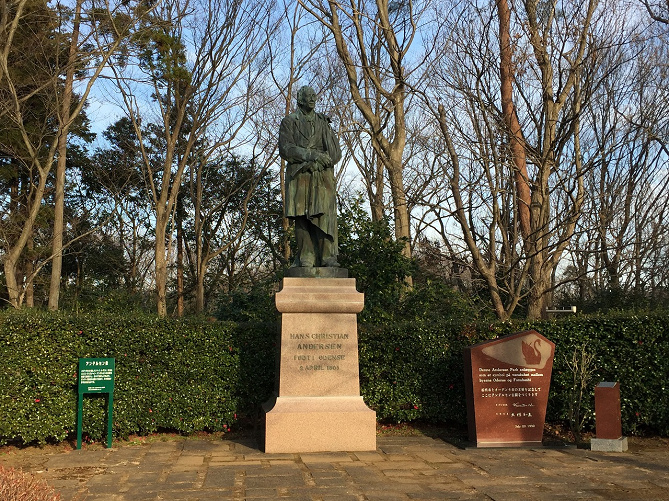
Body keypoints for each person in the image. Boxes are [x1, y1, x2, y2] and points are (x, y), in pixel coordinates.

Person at [279, 86, 342, 267]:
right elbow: (286, 148)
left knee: (324, 215)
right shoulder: (289, 122)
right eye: (308, 96)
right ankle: (306, 254)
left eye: (314, 96)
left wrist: (323, 161)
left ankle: (327, 256)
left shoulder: (323, 122)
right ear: (300, 100)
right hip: (300, 175)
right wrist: (312, 155)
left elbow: (335, 151)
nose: (313, 99)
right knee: (301, 216)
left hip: (322, 175)